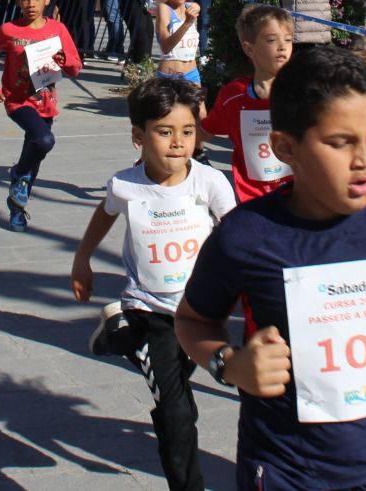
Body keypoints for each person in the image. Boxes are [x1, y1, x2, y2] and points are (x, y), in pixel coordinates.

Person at [173, 47, 366, 490]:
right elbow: (191, 319)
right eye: (340, 142)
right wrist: (230, 364)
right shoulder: (247, 235)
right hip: (283, 468)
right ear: (285, 147)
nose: (365, 159)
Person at [70, 77, 234, 491]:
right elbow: (105, 213)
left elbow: (237, 232)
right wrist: (82, 258)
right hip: (151, 308)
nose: (178, 143)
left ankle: (120, 339)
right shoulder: (125, 185)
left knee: (180, 399)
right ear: (138, 136)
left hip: (199, 312)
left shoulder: (209, 183)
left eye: (187, 131)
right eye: (164, 132)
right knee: (175, 409)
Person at [0, 0, 82, 233]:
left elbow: (75, 67)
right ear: (17, 0)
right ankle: (17, 174)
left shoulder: (57, 30)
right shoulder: (9, 30)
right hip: (17, 101)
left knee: (35, 155)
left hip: (46, 102)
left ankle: (17, 208)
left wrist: (63, 60)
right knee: (44, 141)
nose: (31, 4)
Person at [201, 5, 296, 203]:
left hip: (299, 197)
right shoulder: (232, 95)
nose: (282, 46)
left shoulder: (303, 91)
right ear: (249, 48)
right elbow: (205, 131)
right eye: (271, 40)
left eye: (288, 40)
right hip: (252, 199)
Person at [153, 0, 201, 84]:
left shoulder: (191, 8)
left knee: (200, 103)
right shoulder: (164, 9)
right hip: (170, 75)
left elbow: (197, 6)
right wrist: (187, 23)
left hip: (192, 73)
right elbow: (165, 47)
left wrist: (195, 9)